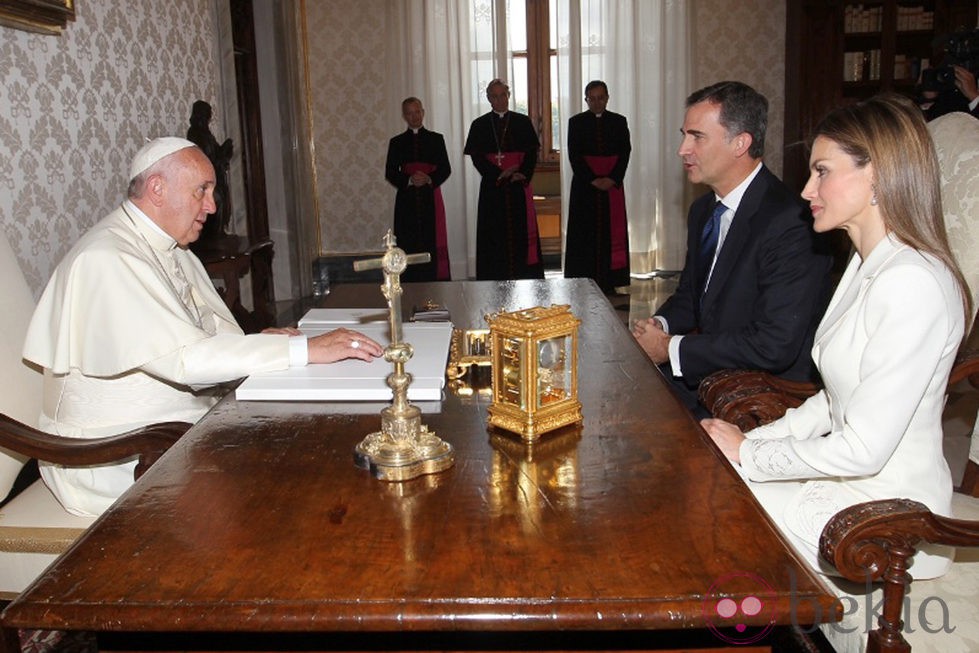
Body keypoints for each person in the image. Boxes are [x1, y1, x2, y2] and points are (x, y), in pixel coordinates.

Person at [22, 137, 384, 517]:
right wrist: (305, 350)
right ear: (157, 189)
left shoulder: (172, 247)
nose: (212, 207)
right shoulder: (107, 258)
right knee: (291, 481)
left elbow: (204, 334)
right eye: (202, 191)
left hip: (178, 432)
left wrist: (259, 344)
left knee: (311, 443)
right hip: (115, 459)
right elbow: (185, 359)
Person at [702, 93, 970, 579]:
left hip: (890, 521)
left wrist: (751, 453)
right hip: (850, 486)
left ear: (878, 176)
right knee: (709, 486)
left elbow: (865, 448)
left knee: (713, 512)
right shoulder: (867, 262)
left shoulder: (915, 282)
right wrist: (756, 439)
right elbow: (835, 400)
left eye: (822, 171)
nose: (807, 190)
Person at [632, 81, 832, 415]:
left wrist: (671, 349)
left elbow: (774, 345)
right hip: (717, 364)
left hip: (765, 388)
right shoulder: (704, 210)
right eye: (684, 135)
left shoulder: (791, 221)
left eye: (697, 137)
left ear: (740, 143)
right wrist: (660, 326)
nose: (683, 149)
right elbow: (690, 297)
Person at [464, 79, 544, 280]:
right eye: (494, 96)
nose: (499, 100)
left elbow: (531, 153)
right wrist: (498, 174)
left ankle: (523, 276)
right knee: (493, 235)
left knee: (520, 234)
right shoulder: (479, 124)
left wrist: (522, 173)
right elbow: (477, 157)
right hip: (493, 187)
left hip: (518, 186)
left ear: (508, 96)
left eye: (503, 95)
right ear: (489, 99)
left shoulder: (522, 122)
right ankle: (494, 276)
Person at [564, 81, 632, 294]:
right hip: (585, 187)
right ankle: (584, 280)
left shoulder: (619, 122)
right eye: (591, 98)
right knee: (584, 233)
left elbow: (625, 152)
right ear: (586, 99)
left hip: (612, 186)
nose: (596, 102)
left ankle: (610, 281)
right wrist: (592, 179)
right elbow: (574, 155)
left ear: (607, 97)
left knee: (611, 234)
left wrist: (612, 178)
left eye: (600, 97)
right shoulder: (575, 122)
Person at [384, 97, 452, 281]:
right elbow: (390, 172)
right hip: (406, 201)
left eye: (417, 112)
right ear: (404, 116)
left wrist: (429, 178)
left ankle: (433, 280)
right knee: (408, 242)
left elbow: (446, 169)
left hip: (430, 198)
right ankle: (409, 282)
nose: (414, 116)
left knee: (430, 241)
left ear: (423, 112)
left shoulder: (436, 139)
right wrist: (408, 180)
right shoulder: (396, 142)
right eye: (409, 113)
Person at [186, 100, 233, 242]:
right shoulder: (194, 133)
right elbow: (202, 155)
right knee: (213, 202)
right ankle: (211, 234)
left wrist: (225, 147)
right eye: (206, 114)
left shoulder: (206, 132)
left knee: (221, 203)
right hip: (207, 178)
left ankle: (218, 232)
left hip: (216, 173)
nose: (209, 117)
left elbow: (216, 151)